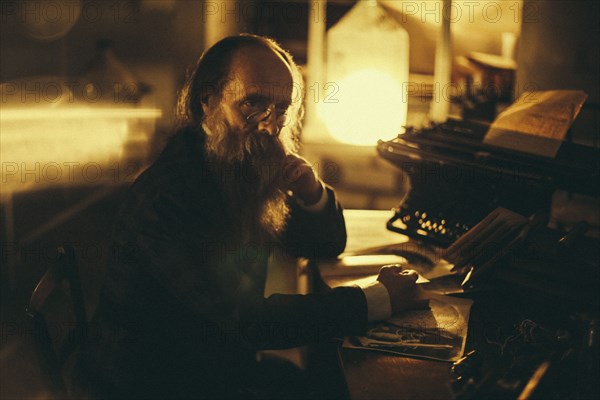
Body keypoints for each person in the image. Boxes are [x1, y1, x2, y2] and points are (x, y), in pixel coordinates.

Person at [74, 34, 427, 399]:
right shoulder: (170, 196)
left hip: (212, 362)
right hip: (154, 381)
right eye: (253, 104)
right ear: (207, 101)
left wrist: (311, 193)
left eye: (280, 109)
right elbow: (249, 320)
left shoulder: (233, 164)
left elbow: (323, 244)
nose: (269, 125)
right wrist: (377, 299)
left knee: (325, 381)